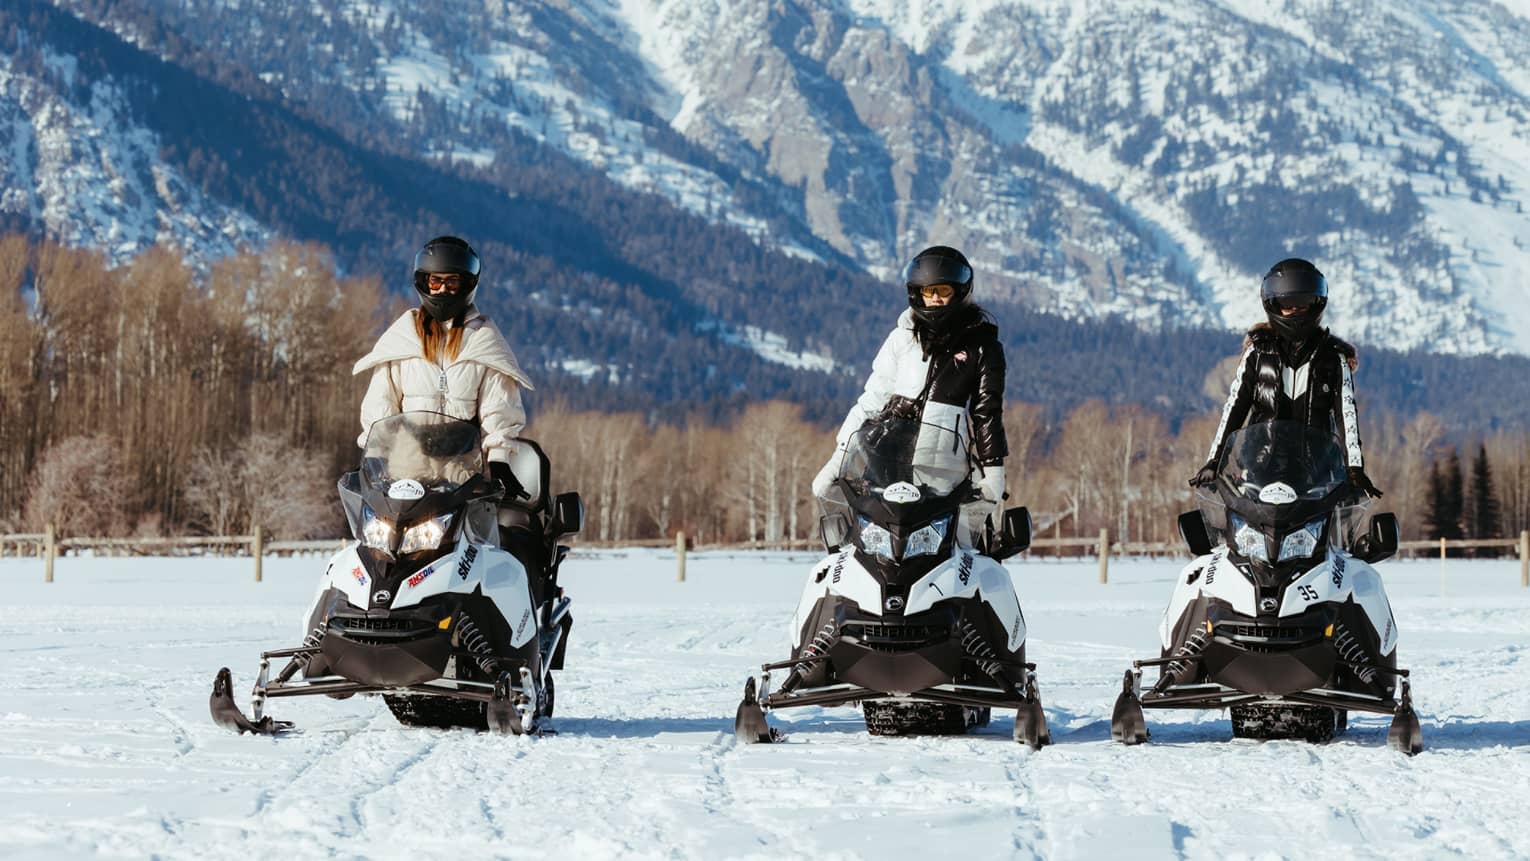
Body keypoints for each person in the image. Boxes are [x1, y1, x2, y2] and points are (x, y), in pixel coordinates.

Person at [353, 236, 542, 558]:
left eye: (451, 282)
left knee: (474, 554)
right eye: (435, 281)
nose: (442, 290)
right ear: (423, 282)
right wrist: (375, 457)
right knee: (384, 553)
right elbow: (379, 406)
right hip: (404, 472)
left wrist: (498, 461)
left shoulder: (484, 342)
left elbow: (500, 409)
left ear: (467, 285)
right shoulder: (400, 342)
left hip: (461, 473)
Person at [811, 245, 1008, 544]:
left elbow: (986, 412)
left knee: (962, 551)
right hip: (887, 463)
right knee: (869, 547)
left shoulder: (983, 346)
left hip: (945, 471)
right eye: (929, 291)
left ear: (959, 291)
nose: (936, 298)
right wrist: (839, 459)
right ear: (917, 293)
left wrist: (993, 470)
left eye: (943, 290)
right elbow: (872, 400)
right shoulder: (901, 338)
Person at [1190, 257, 1381, 498]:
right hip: (1259, 469)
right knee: (1236, 531)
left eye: (1302, 303)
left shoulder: (1333, 358)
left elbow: (1347, 416)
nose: (1295, 310)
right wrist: (1214, 461)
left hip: (1318, 472)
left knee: (1341, 529)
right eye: (1287, 303)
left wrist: (1354, 468)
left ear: (1317, 303)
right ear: (1272, 303)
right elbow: (1235, 408)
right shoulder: (1257, 353)